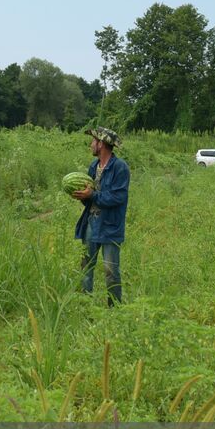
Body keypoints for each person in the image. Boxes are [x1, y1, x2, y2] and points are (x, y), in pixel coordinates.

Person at [71, 127, 130, 305]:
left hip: (110, 224)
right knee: (86, 265)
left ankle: (114, 307)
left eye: (93, 141)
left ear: (101, 144)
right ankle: (85, 305)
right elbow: (91, 196)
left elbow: (118, 197)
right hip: (92, 221)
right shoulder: (93, 166)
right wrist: (83, 196)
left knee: (110, 269)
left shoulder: (120, 168)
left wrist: (92, 196)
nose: (91, 144)